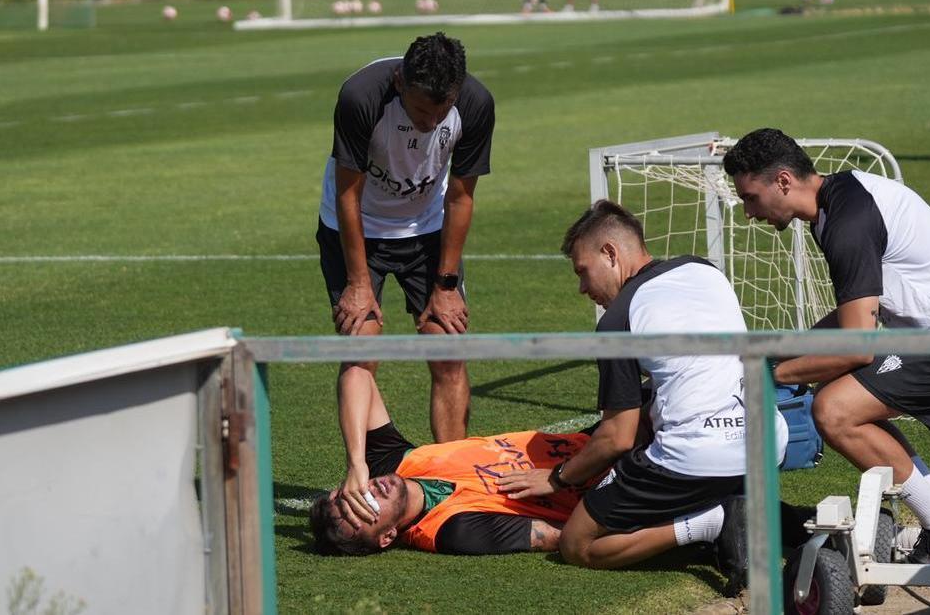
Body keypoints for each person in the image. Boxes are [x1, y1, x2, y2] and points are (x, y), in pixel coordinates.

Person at [723, 127, 930, 565]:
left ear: (783, 181)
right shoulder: (839, 201)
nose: (749, 213)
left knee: (834, 409)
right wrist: (778, 350)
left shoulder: (848, 222)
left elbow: (856, 348)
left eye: (750, 198)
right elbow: (855, 315)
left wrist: (769, 375)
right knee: (839, 398)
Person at [495, 200, 787, 596]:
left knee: (577, 544)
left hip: (699, 458)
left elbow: (616, 437)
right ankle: (751, 509)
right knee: (655, 403)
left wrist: (557, 477)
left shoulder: (618, 321)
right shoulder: (703, 269)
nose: (583, 288)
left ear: (610, 254)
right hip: (769, 441)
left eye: (582, 272)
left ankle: (714, 520)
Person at [316, 32, 495, 528]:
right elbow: (349, 196)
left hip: (428, 229)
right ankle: (358, 469)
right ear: (400, 81)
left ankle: (455, 481)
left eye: (441, 113)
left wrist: (446, 284)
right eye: (420, 113)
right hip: (356, 229)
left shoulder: (475, 103)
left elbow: (461, 196)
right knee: (362, 345)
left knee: (448, 347)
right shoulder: (361, 96)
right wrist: (359, 282)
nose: (431, 123)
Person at [309, 385, 604, 556]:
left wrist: (356, 462)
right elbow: (562, 536)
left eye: (355, 494)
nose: (370, 493)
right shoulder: (455, 529)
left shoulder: (392, 463)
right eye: (366, 508)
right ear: (387, 536)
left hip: (596, 439)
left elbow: (358, 374)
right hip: (613, 479)